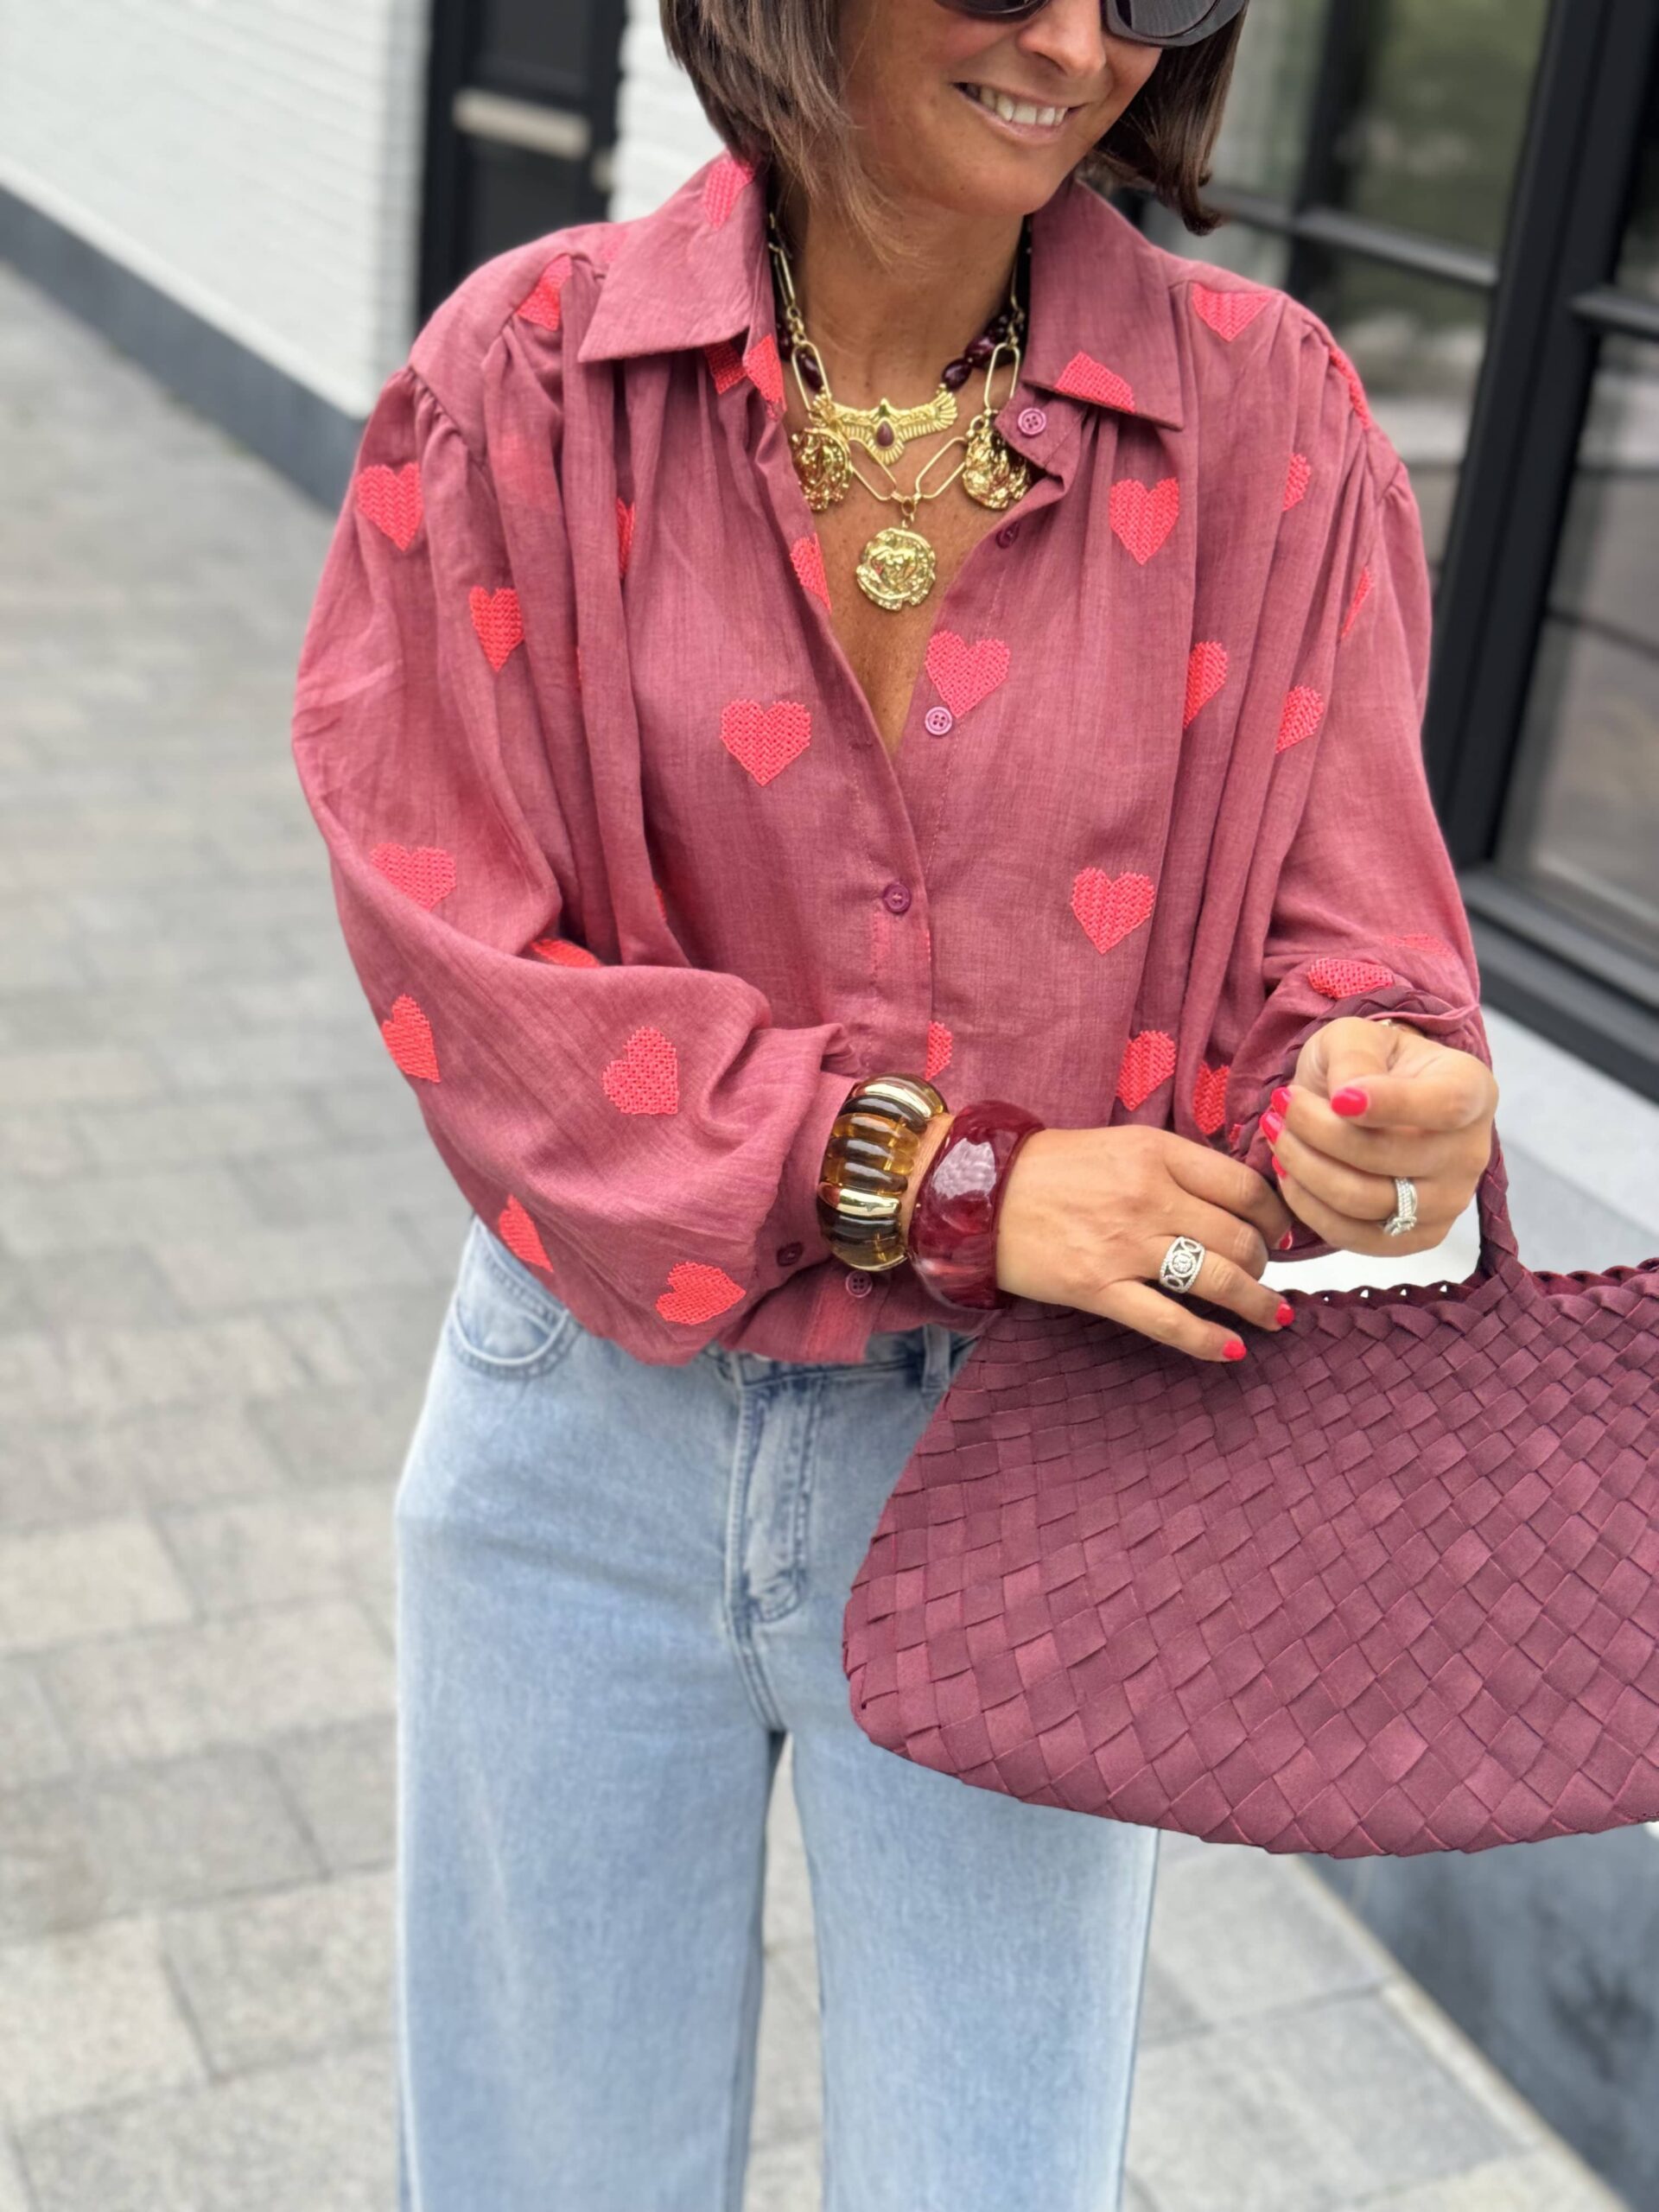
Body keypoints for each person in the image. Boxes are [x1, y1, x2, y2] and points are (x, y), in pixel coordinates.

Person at [289, 0, 1501, 2203]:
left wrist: (1372, 1098)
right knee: (540, 2163)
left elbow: (1354, 951)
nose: (1080, 37)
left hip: (1038, 1466)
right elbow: (461, 949)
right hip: (583, 1425)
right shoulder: (526, 383)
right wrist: (944, 1179)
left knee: (990, 2173)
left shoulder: (1271, 422)